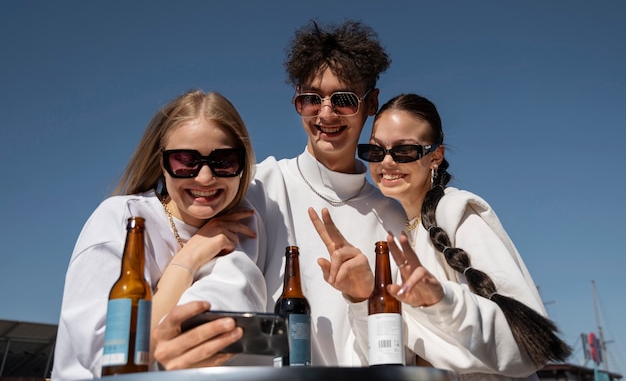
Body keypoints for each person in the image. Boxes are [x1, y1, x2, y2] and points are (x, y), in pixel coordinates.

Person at [151, 19, 407, 369]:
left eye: (344, 99)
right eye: (311, 99)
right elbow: (231, 276)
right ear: (296, 103)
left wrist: (362, 298)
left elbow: (394, 348)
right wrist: (200, 327)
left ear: (371, 102)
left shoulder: (392, 218)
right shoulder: (262, 186)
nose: (326, 113)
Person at [310, 93, 571, 380]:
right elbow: (387, 358)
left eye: (404, 150)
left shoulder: (458, 212)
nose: (386, 162)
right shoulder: (400, 232)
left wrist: (441, 300)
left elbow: (527, 348)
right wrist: (361, 297)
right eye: (375, 151)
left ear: (435, 156)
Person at [52, 90, 267, 380]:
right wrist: (188, 260)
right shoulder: (122, 220)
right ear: (161, 162)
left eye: (224, 161)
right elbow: (110, 360)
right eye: (185, 161)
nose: (205, 177)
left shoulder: (242, 227)